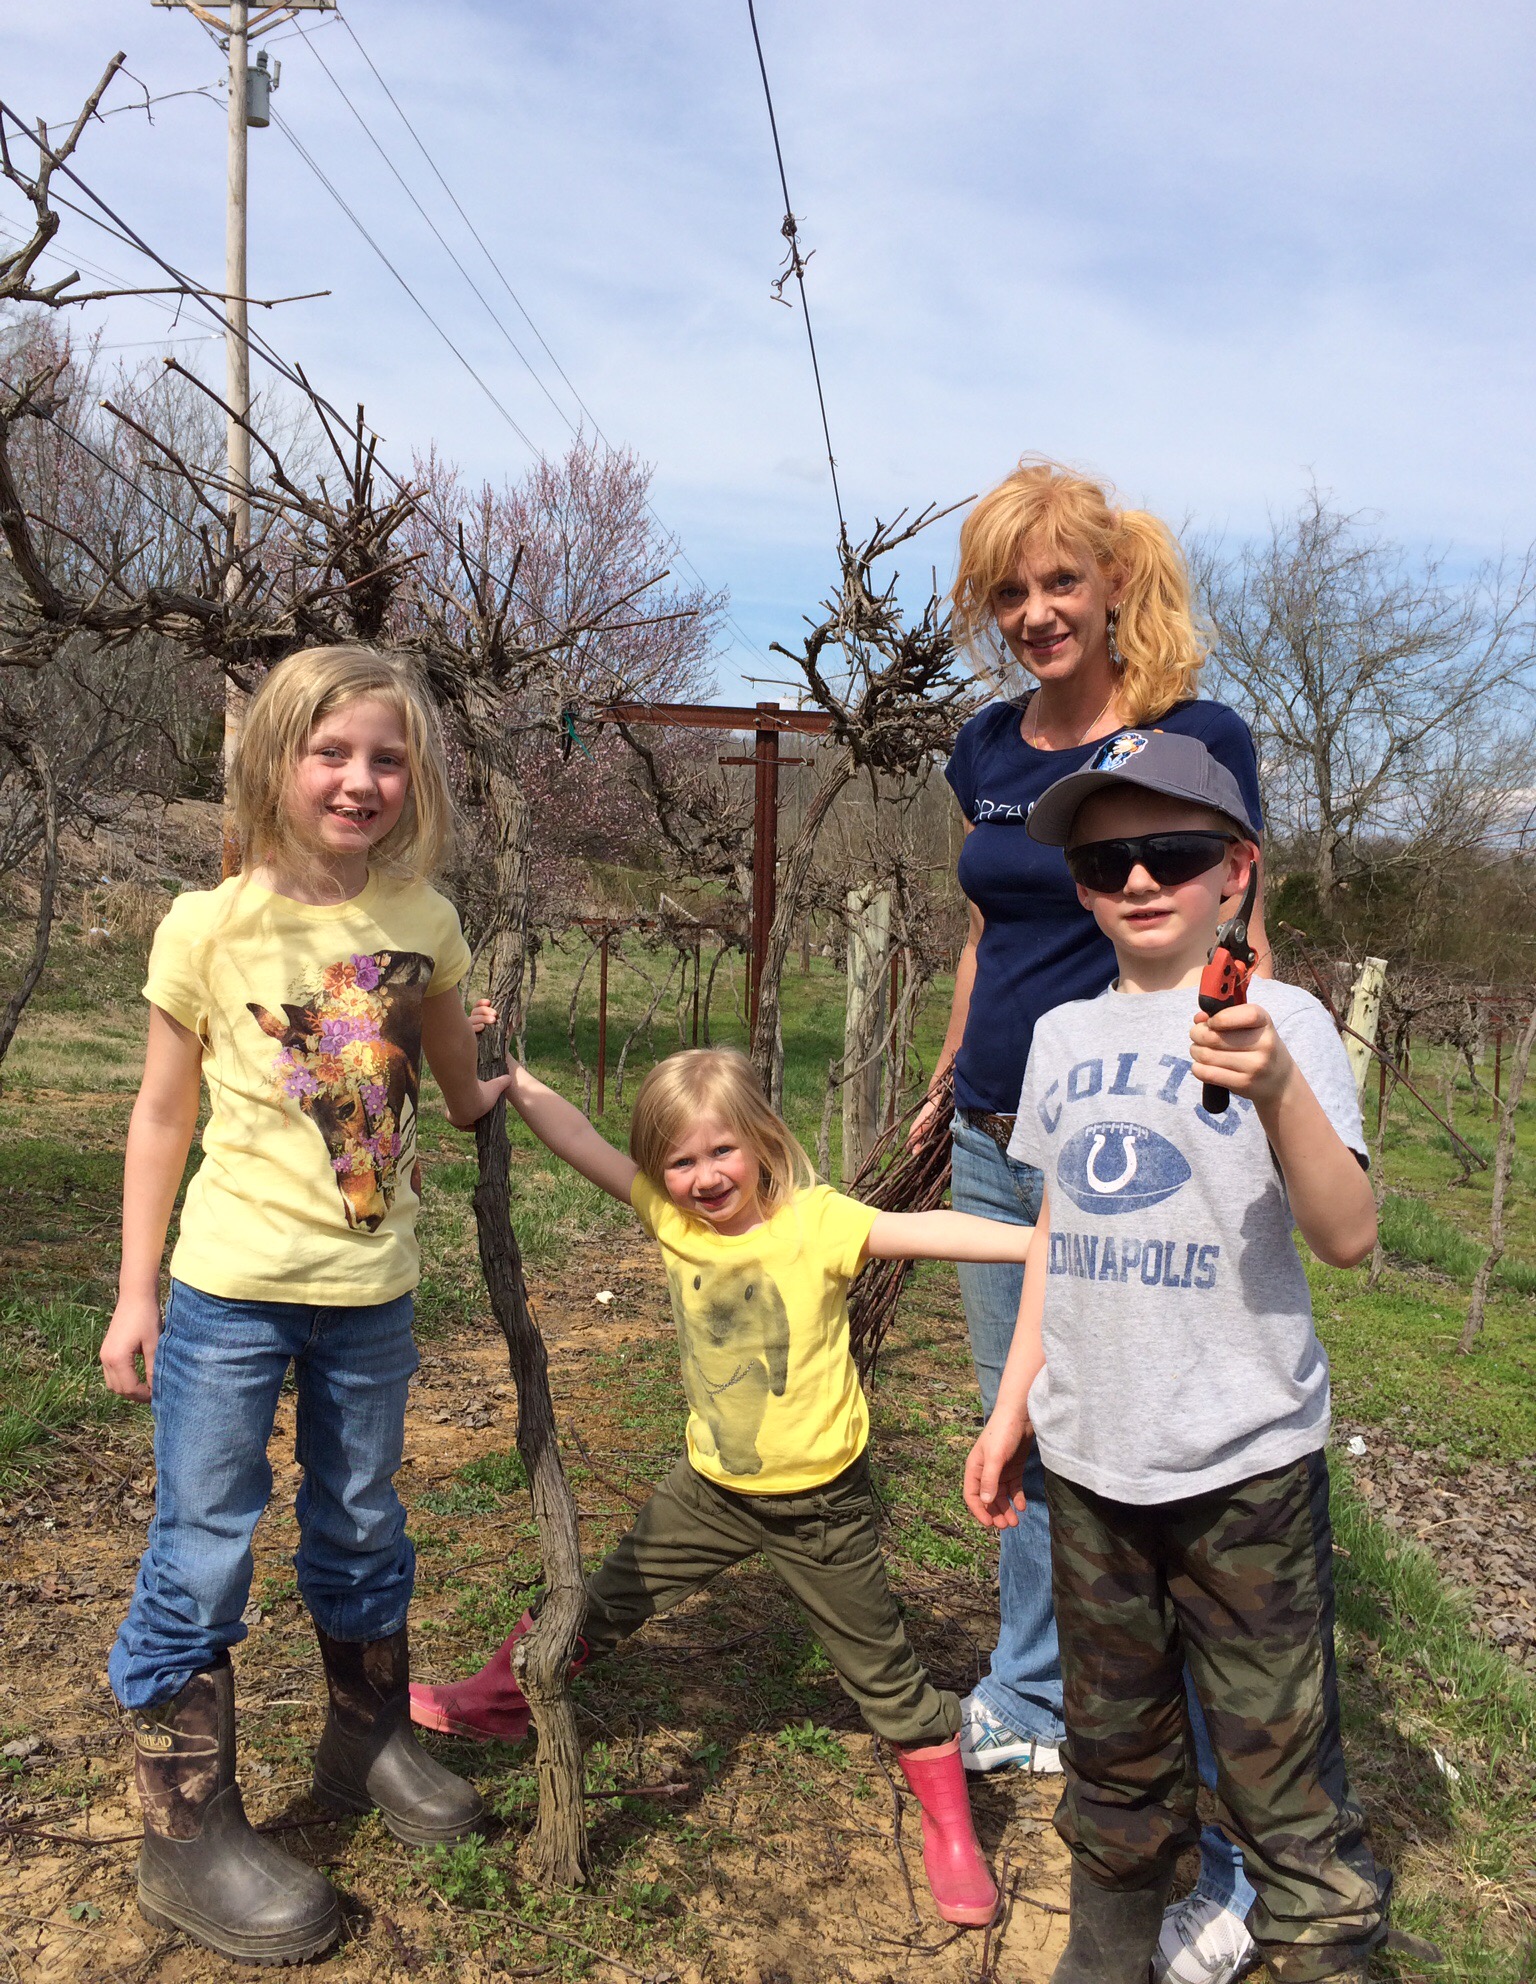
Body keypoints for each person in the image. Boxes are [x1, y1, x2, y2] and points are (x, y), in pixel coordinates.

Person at [410, 1046, 1035, 1929]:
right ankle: (502, 1699)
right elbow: (580, 1139)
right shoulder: (674, 1221)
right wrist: (513, 1077)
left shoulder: (818, 1221)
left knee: (885, 1674)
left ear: (762, 1141)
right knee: (603, 1598)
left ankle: (951, 1828)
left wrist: (1041, 1241)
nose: (703, 1177)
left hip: (820, 1507)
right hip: (710, 1490)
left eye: (721, 1152)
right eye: (680, 1161)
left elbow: (932, 1233)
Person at [98, 645, 514, 1965]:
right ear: (273, 761)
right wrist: (135, 1291)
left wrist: (490, 1074)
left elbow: (453, 1082)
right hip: (229, 1293)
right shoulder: (208, 926)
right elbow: (159, 1114)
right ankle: (182, 1833)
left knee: (362, 1518)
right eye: (330, 752)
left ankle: (365, 1737)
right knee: (203, 1542)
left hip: (370, 1294)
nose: (359, 779)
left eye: (387, 757)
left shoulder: (424, 918)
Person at [963, 731, 1392, 1984]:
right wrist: (1012, 1407)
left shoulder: (1283, 1020)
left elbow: (1350, 1235)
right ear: (1081, 887)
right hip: (1093, 1462)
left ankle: (1319, 1940)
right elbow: (1057, 1230)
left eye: (1173, 851)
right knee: (1114, 1747)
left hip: (1243, 1468)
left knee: (1277, 1760)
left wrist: (1277, 1089)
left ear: (1235, 870)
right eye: (1107, 862)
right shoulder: (1061, 1033)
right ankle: (1108, 1944)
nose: (1140, 879)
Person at [916, 460, 1267, 1981]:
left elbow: (1241, 921)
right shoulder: (986, 748)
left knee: (1150, 1444)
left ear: (1114, 582)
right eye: (1010, 589)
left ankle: (1217, 1779)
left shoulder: (1195, 736)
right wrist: (948, 1074)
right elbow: (986, 932)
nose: (1036, 610)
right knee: (1029, 1426)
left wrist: (1232, 1103)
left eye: (1061, 580)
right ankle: (1034, 1688)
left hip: (1130, 1143)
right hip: (998, 1132)